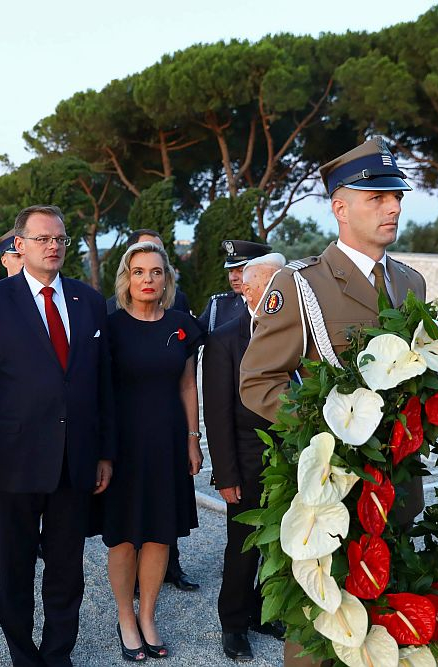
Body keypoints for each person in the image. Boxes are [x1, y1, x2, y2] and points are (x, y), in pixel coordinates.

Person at [239, 137, 426, 667]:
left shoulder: (411, 281)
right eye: (377, 197)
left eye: (397, 196)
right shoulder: (300, 285)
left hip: (399, 488)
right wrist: (330, 432)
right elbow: (258, 381)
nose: (393, 206)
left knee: (388, 626)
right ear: (340, 208)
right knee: (322, 630)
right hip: (331, 497)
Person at [0, 205, 115, 667]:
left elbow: (100, 382)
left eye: (60, 239)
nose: (54, 247)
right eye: (43, 239)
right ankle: (23, 655)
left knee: (68, 570)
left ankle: (57, 654)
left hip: (75, 461)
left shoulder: (89, 301)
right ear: (19, 246)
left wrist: (104, 453)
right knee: (16, 568)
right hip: (12, 463)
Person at [98, 241, 203, 661]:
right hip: (122, 446)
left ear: (167, 280)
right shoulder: (110, 326)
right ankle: (125, 616)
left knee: (160, 535)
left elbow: (186, 385)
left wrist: (193, 439)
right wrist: (101, 451)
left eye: (156, 272)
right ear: (127, 278)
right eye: (139, 272)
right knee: (123, 538)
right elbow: (100, 390)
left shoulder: (181, 325)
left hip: (168, 444)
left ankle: (148, 616)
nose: (148, 280)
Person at [203, 253, 288, 662]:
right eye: (269, 284)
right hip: (246, 457)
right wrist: (226, 474)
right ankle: (233, 623)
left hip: (291, 459)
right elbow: (217, 415)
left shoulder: (298, 332)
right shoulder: (225, 338)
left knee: (282, 544)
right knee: (242, 546)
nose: (277, 292)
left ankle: (263, 610)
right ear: (249, 289)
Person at [105, 229, 191, 317]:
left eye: (158, 250)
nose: (153, 254)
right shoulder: (110, 310)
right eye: (145, 248)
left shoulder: (179, 300)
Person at [197, 240, 272, 333]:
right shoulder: (218, 305)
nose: (233, 278)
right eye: (230, 271)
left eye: (241, 270)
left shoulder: (274, 301)